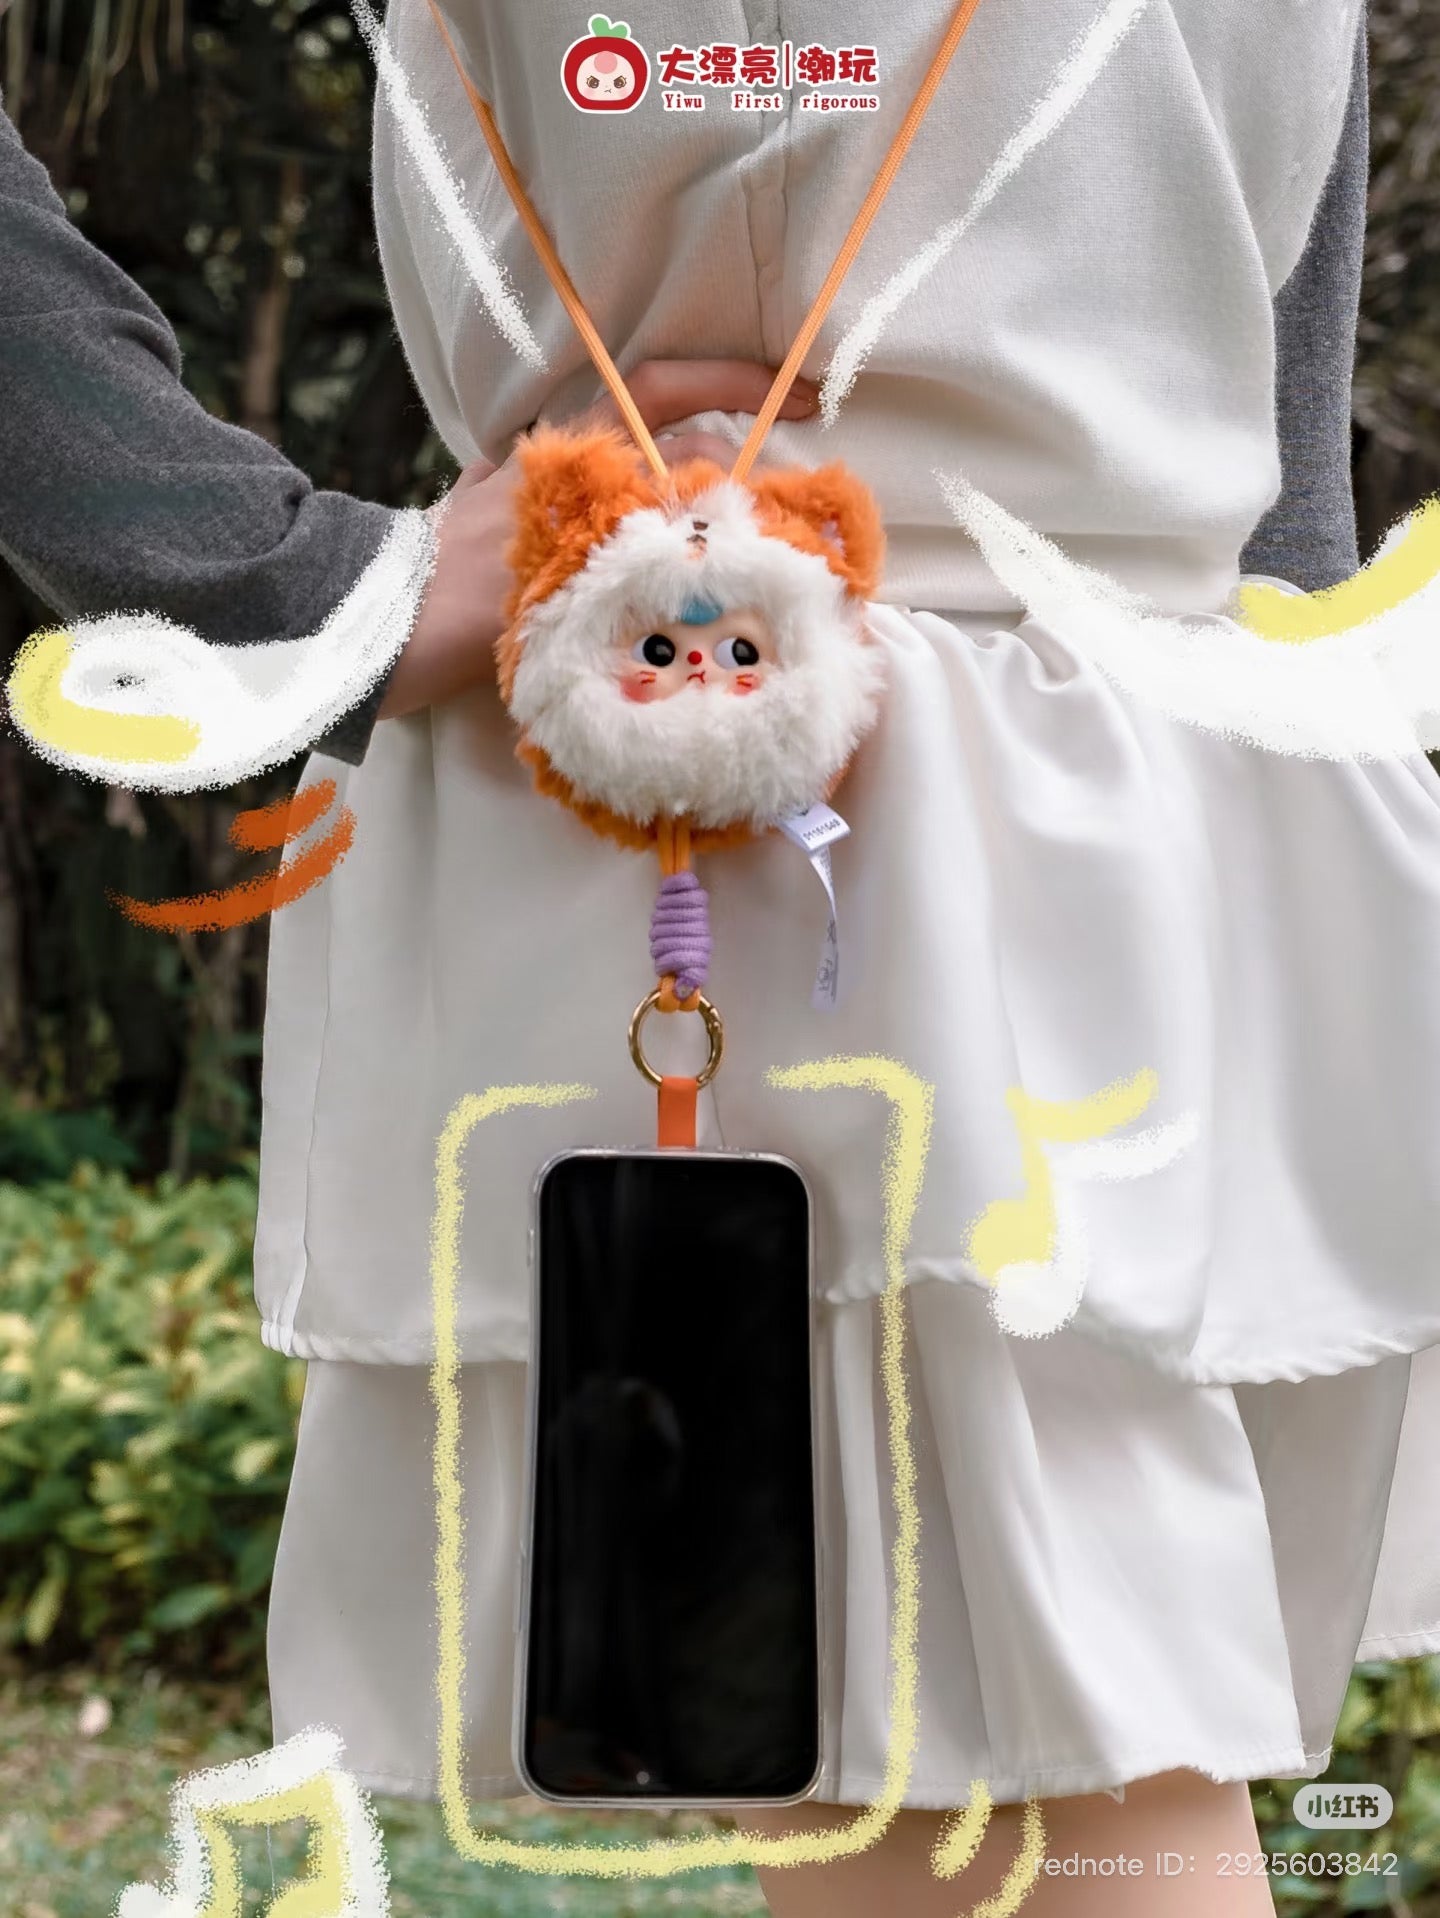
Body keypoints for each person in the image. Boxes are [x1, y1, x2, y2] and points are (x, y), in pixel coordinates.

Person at [0, 6, 1428, 1915]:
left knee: (1033, 1799)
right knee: (1021, 1805)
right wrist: (278, 583)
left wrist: (1291, 672)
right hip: (794, 829)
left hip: (1194, 813)